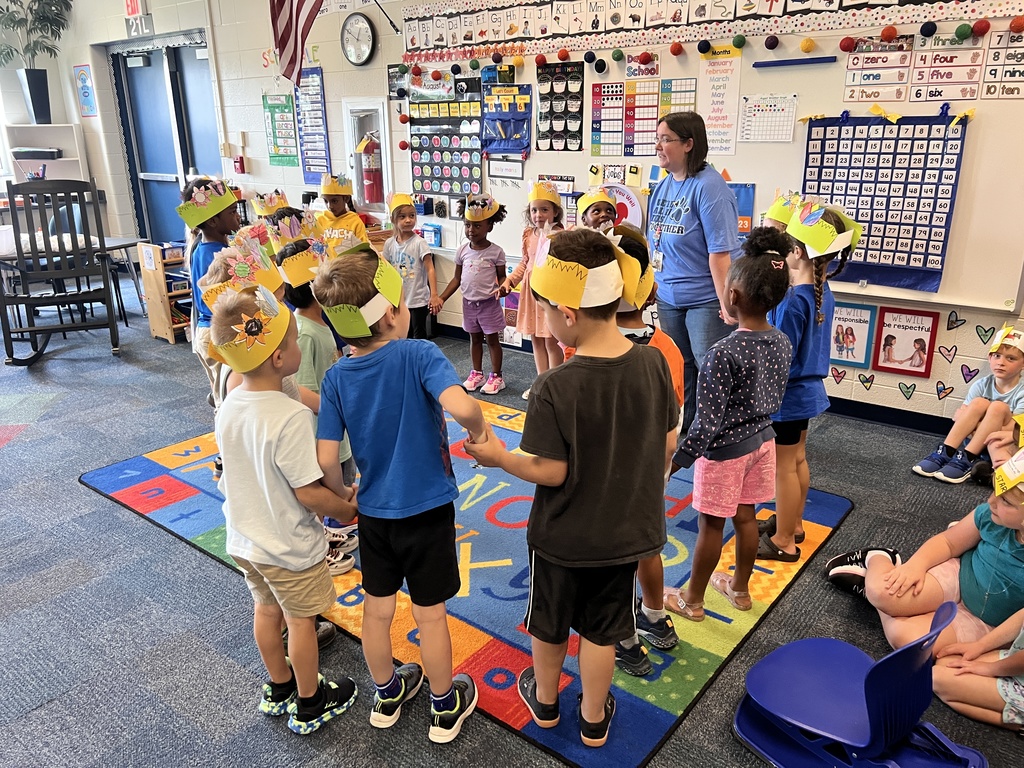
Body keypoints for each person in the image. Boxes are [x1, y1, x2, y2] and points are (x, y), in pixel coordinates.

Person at [464, 228, 678, 748]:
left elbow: (550, 470)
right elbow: (669, 441)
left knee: (550, 622)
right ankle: (593, 717)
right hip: (626, 533)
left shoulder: (554, 385)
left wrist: (497, 456)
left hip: (562, 538)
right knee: (605, 628)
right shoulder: (652, 361)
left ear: (568, 312)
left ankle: (544, 704)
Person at [312, 251, 488, 743]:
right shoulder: (420, 354)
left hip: (373, 513)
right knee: (430, 615)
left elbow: (327, 457)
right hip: (428, 510)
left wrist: (343, 496)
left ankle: (387, 693)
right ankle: (443, 704)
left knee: (377, 609)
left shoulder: (336, 377)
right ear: (391, 312)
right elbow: (462, 405)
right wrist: (478, 431)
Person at [210, 285, 358, 735]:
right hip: (288, 546)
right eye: (293, 341)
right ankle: (311, 701)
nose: (297, 346)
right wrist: (346, 510)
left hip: (244, 540)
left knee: (265, 611)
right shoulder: (290, 417)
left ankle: (278, 687)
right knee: (301, 622)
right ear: (278, 358)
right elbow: (309, 494)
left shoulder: (229, 404)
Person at [668, 237, 792, 621]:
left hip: (724, 453)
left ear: (732, 295)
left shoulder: (723, 352)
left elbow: (705, 423)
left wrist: (677, 460)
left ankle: (692, 599)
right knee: (746, 517)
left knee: (709, 526)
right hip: (763, 444)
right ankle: (739, 590)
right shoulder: (782, 341)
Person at [826, 447, 1024, 656]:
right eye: (994, 491)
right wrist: (915, 565)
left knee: (909, 643)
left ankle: (875, 596)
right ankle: (879, 557)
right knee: (882, 593)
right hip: (960, 577)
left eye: (1005, 501)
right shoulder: (990, 516)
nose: (991, 501)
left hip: (991, 624)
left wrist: (985, 647)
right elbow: (948, 542)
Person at [757, 203, 859, 562]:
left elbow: (777, 354)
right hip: (806, 393)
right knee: (797, 459)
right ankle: (794, 523)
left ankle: (784, 539)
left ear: (796, 252)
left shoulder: (794, 300)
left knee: (784, 466)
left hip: (787, 396)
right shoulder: (819, 291)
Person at [606, 224, 686, 677]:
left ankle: (625, 638)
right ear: (650, 291)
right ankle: (654, 616)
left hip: (609, 479)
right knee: (648, 545)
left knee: (614, 557)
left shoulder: (591, 353)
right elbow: (672, 429)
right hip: (653, 475)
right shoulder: (667, 348)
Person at [647, 111, 743, 432]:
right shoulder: (663, 187)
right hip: (669, 295)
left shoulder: (711, 187)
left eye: (666, 139)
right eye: (657, 138)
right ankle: (689, 428)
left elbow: (720, 255)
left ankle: (723, 433)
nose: (658, 145)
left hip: (705, 300)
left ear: (689, 144)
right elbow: (654, 245)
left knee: (711, 367)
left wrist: (727, 304)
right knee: (680, 365)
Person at [914, 327, 1024, 483]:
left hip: (1002, 443)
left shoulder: (1022, 391)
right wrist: (983, 426)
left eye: (1011, 358)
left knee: (998, 407)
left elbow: (1015, 431)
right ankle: (947, 451)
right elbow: (958, 417)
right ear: (989, 358)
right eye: (997, 356)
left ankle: (969, 458)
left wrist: (976, 426)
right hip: (973, 441)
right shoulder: (981, 384)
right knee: (979, 402)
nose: (1001, 362)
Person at [498, 181, 566, 400]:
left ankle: (555, 385)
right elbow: (524, 263)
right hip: (530, 293)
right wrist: (509, 281)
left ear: (556, 211)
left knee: (551, 340)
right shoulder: (529, 234)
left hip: (549, 294)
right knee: (536, 339)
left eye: (544, 209)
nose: (538, 214)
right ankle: (541, 382)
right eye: (534, 210)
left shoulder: (561, 235)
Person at [178, 177, 241, 408]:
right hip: (215, 334)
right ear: (213, 220)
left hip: (210, 333)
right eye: (232, 211)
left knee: (225, 393)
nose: (238, 216)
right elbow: (216, 302)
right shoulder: (214, 255)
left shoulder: (208, 247)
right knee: (227, 401)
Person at [438, 193, 508, 395]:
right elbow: (456, 279)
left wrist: (504, 287)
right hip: (468, 304)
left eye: (477, 226)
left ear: (489, 227)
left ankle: (497, 376)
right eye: (468, 225)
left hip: (489, 304)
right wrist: (441, 297)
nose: (471, 230)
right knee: (474, 339)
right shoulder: (462, 251)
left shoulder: (497, 252)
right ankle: (477, 373)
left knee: (492, 340)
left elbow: (502, 277)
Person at [933, 605, 1024, 731]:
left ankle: (1017, 721)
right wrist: (980, 645)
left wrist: (990, 669)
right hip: (1017, 656)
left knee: (936, 678)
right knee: (946, 661)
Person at [383, 193, 442, 339]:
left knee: (418, 335)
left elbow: (430, 268)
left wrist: (434, 295)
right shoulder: (389, 244)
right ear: (393, 219)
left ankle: (418, 361)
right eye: (402, 217)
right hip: (398, 299)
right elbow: (385, 269)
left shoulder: (419, 243)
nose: (408, 220)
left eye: (412, 216)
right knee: (402, 335)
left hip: (417, 300)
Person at [317, 174, 369, 256]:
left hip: (347, 266)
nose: (330, 206)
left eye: (334, 201)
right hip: (326, 267)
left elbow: (363, 251)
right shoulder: (320, 221)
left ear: (346, 199)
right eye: (326, 201)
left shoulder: (355, 222)